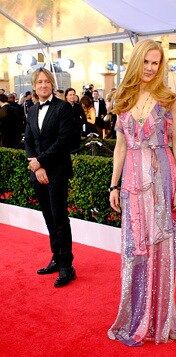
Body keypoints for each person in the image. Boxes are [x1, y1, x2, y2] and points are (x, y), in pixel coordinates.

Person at [108, 39, 176, 347]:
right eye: (146, 62)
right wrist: (113, 184)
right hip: (131, 182)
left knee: (163, 250)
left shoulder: (169, 98)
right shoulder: (123, 97)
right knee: (134, 251)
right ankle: (135, 316)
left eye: (156, 63)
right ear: (136, 61)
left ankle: (160, 319)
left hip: (162, 178)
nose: (151, 68)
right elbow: (120, 145)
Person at [25, 68, 76, 288]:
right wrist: (36, 167)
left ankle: (67, 266)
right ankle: (56, 258)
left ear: (52, 85)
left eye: (47, 81)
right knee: (48, 217)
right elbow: (28, 141)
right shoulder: (32, 110)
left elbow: (65, 141)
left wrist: (41, 162)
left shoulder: (63, 108)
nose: (43, 85)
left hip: (57, 171)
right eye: (39, 82)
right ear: (34, 86)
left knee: (59, 218)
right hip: (40, 172)